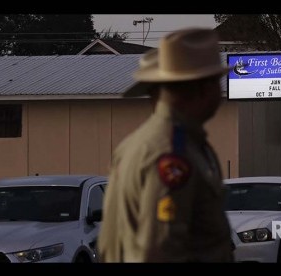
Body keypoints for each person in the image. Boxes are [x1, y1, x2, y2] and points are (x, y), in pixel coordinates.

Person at [98, 28, 234, 262]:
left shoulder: (140, 143)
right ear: (202, 88)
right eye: (216, 82)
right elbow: (160, 250)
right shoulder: (172, 154)